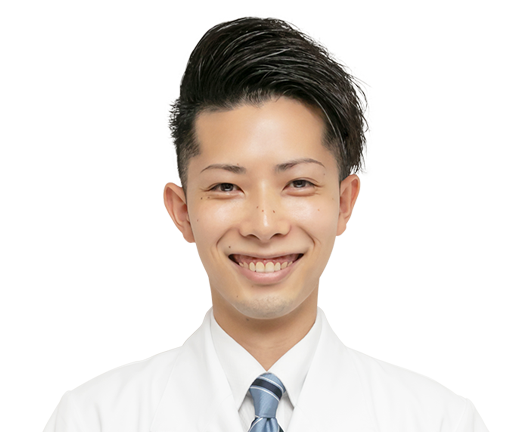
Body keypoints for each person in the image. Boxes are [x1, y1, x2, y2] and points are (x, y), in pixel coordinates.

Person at [44, 13, 489, 431]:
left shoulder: (438, 421)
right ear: (182, 212)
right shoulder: (95, 419)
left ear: (344, 203)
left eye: (298, 183)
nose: (263, 224)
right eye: (225, 187)